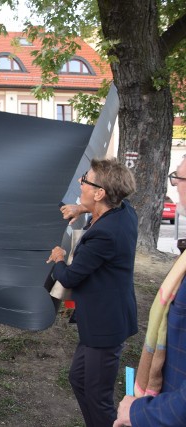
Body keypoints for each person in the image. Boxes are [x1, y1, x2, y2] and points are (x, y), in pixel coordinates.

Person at [47, 158, 138, 427]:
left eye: (85, 179)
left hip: (104, 327)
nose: (80, 182)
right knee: (78, 379)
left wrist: (59, 257)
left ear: (99, 193)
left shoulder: (105, 235)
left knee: (98, 396)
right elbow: (105, 211)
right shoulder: (123, 211)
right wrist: (83, 209)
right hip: (104, 320)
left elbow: (71, 276)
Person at [112, 160, 186, 427]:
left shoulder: (110, 226)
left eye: (178, 179)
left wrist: (138, 412)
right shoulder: (125, 214)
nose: (175, 186)